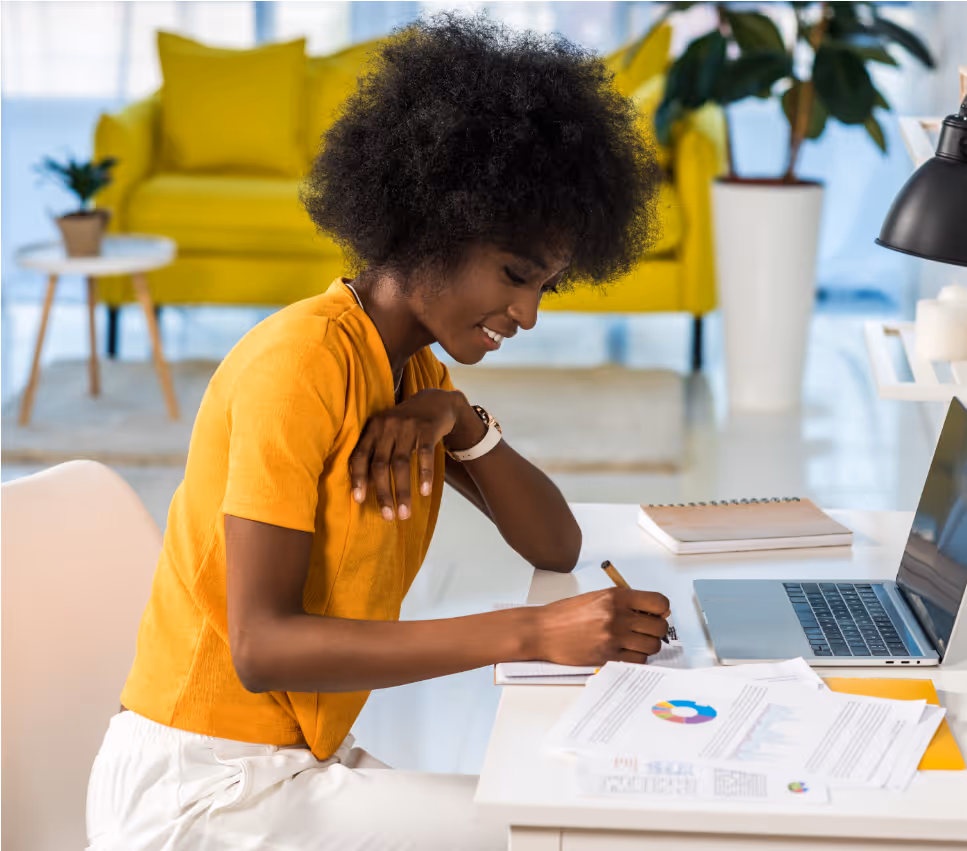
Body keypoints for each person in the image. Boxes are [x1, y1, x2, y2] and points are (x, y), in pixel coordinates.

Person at [85, 12, 668, 850]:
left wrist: (461, 419)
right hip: (201, 790)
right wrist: (535, 631)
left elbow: (555, 543)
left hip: (286, 763)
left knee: (552, 814)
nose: (529, 313)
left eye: (546, 286)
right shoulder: (302, 361)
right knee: (552, 832)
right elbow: (262, 647)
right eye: (513, 275)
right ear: (431, 222)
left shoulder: (413, 371)